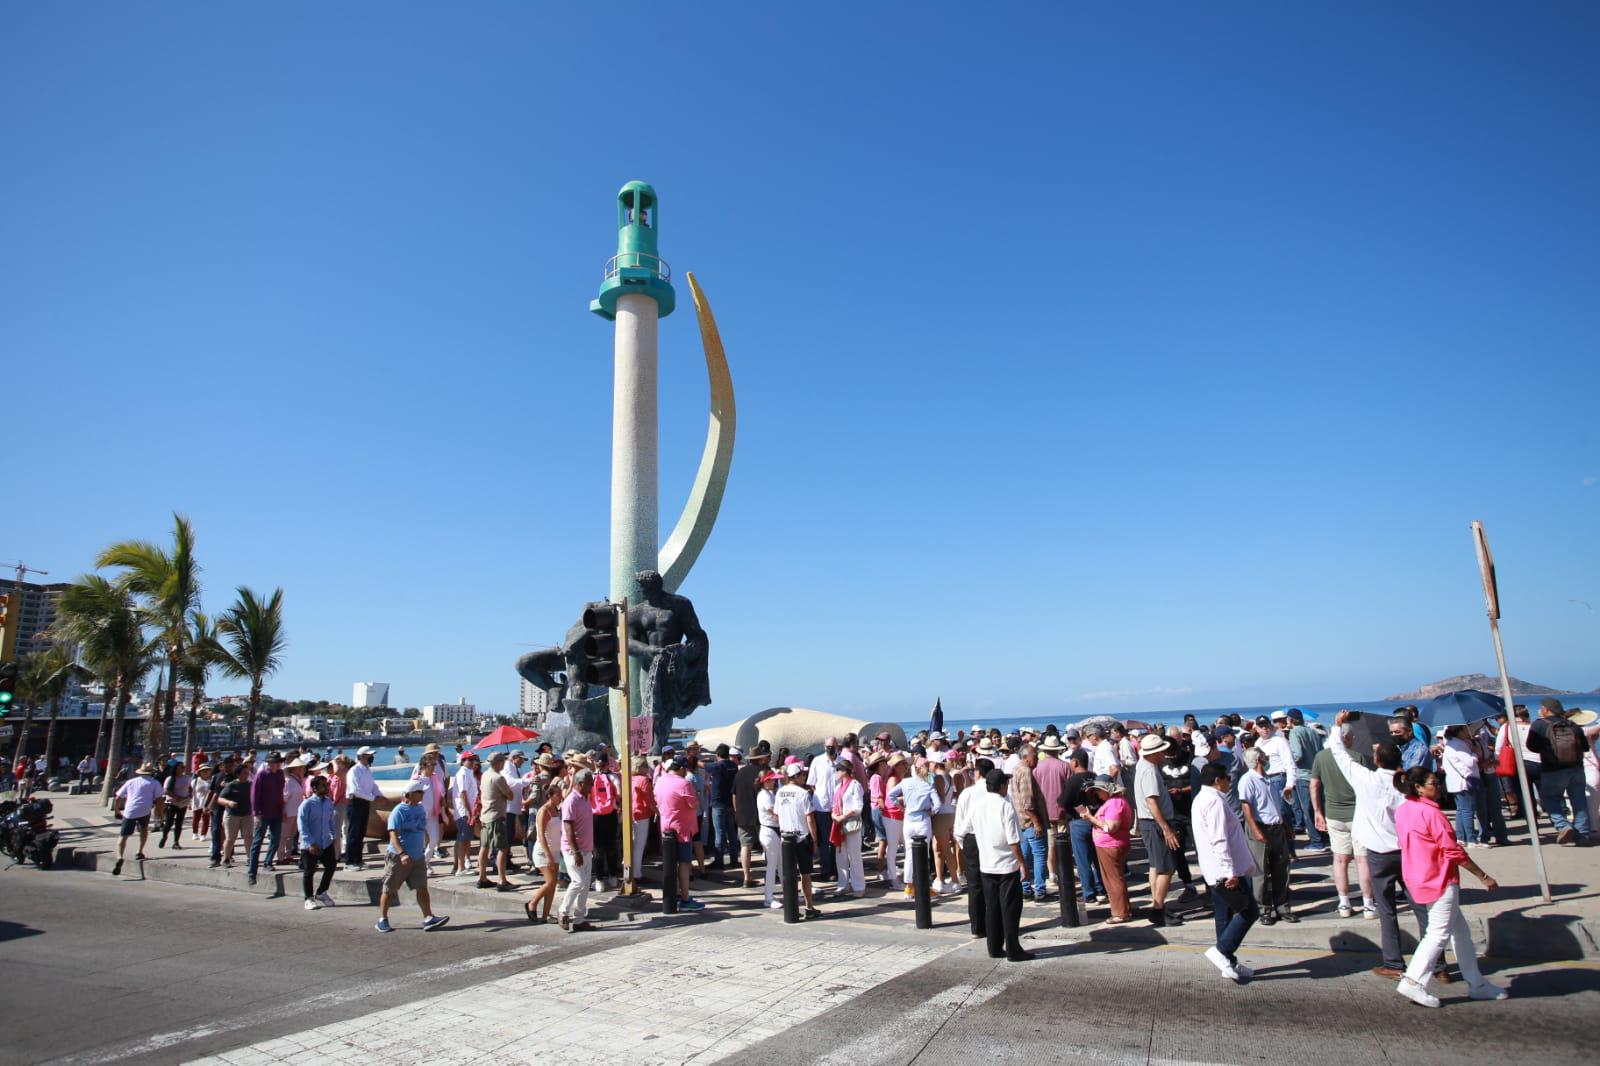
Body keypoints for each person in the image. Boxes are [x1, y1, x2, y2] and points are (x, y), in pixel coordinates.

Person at [1327, 711, 1429, 978]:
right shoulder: (1408, 786)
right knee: (1421, 909)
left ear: (1376, 760)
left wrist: (1337, 727)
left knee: (1387, 912)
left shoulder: (1367, 780)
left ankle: (1394, 963)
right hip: (1407, 851)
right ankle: (1436, 964)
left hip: (1380, 854)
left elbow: (1340, 755)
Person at [1393, 767, 1507, 1007]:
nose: (1439, 786)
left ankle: (1476, 983)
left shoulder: (1404, 810)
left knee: (1460, 933)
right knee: (1438, 933)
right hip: (1439, 877)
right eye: (1434, 783)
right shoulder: (1433, 814)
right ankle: (1413, 981)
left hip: (1419, 876)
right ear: (1419, 788)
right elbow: (1454, 851)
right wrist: (1483, 875)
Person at [1192, 762, 1259, 982]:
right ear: (1218, 780)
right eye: (1227, 778)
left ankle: (1227, 961)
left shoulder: (1203, 799)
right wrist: (1230, 871)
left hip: (1216, 869)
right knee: (1248, 911)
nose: (1230, 782)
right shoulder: (1213, 802)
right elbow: (1219, 838)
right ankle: (1221, 951)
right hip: (1225, 869)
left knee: (1225, 915)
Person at [1310, 724, 1375, 918]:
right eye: (1352, 737)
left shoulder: (1321, 758)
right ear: (1344, 738)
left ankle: (1344, 902)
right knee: (1363, 860)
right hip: (1358, 815)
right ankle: (1368, 904)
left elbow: (1314, 786)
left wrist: (1317, 811)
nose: (1353, 740)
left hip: (1333, 814)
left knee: (1339, 860)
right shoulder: (1357, 758)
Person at [972, 768, 1032, 962]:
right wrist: (1022, 863)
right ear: (1002, 786)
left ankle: (994, 946)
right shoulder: (1005, 806)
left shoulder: (977, 805)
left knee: (992, 907)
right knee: (1010, 908)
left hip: (987, 863)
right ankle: (1013, 949)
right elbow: (1013, 840)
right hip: (1006, 864)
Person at [376, 780, 449, 933]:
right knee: (389, 889)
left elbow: (422, 830)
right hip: (399, 856)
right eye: (419, 792)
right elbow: (393, 836)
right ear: (410, 795)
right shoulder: (399, 811)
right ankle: (382, 919)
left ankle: (428, 917)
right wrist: (402, 854)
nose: (422, 794)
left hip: (417, 856)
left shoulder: (420, 809)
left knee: (422, 887)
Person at [1238, 747, 1294, 924]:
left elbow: (1274, 805)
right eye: (1263, 756)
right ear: (1258, 760)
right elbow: (1246, 808)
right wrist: (1255, 830)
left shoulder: (1267, 779)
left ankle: (1283, 907)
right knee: (1260, 871)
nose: (1266, 757)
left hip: (1276, 827)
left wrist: (1284, 825)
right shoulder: (1248, 780)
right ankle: (1263, 909)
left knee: (1281, 868)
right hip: (1260, 828)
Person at [1526, 698, 1592, 845]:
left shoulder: (1539, 724)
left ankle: (1563, 826)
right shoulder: (1573, 724)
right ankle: (1582, 835)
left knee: (1550, 799)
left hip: (1552, 769)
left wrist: (1546, 749)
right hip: (1576, 769)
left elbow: (1531, 746)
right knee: (1579, 802)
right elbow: (1585, 747)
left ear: (1546, 709)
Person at [1133, 734, 1184, 927]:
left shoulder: (1144, 766)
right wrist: (1166, 829)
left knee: (1156, 866)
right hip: (1154, 823)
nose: (1164, 753)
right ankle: (1157, 909)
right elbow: (1152, 801)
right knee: (1167, 868)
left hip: (1149, 823)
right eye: (1161, 750)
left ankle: (1158, 905)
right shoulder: (1150, 771)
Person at [655, 755, 705, 910]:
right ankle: (684, 899)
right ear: (682, 768)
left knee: (670, 863)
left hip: (665, 828)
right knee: (684, 863)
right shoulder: (684, 783)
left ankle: (674, 894)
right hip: (682, 829)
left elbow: (656, 799)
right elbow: (694, 804)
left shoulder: (660, 781)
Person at [1057, 749, 1107, 907]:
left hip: (1079, 821)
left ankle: (1089, 893)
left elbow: (1063, 802)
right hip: (1097, 820)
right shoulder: (1095, 777)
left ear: (1075, 762)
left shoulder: (1072, 781)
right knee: (1097, 858)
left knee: (1083, 860)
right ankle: (1101, 889)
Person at [775, 761, 823, 918]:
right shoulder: (803, 794)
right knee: (805, 874)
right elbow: (810, 818)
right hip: (801, 837)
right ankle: (809, 906)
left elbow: (776, 814)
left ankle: (792, 907)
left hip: (785, 837)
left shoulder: (780, 792)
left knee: (789, 874)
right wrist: (814, 839)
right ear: (796, 776)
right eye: (803, 775)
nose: (805, 777)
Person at [1083, 775, 1133, 924]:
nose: (1098, 794)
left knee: (1113, 880)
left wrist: (1091, 819)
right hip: (1114, 844)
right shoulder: (1117, 802)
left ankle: (1120, 913)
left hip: (1110, 845)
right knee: (1115, 878)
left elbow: (1111, 827)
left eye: (1099, 791)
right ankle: (1123, 909)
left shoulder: (1114, 803)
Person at [887, 756, 938, 897]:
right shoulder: (927, 784)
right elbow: (938, 805)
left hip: (908, 820)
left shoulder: (905, 782)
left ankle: (909, 887)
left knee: (909, 854)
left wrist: (901, 807)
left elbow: (891, 795)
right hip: (923, 820)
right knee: (924, 854)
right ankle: (923, 887)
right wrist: (931, 811)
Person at [558, 768, 598, 932]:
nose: (592, 786)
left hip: (586, 849)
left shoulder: (584, 799)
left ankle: (580, 918)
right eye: (590, 783)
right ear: (580, 784)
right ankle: (563, 911)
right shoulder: (571, 801)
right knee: (578, 881)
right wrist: (576, 852)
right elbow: (568, 827)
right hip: (573, 850)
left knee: (585, 884)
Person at [111, 762, 165, 876]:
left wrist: (117, 811)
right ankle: (139, 851)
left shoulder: (130, 782)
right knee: (144, 830)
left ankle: (120, 857)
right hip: (144, 810)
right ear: (152, 773)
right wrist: (161, 817)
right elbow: (159, 801)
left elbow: (117, 798)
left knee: (123, 836)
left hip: (130, 810)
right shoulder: (154, 783)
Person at [1285, 709, 1327, 852]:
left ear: (1290, 719)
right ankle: (1323, 837)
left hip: (1304, 775)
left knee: (1307, 809)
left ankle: (1316, 840)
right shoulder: (1313, 732)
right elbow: (1321, 751)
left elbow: (1298, 754)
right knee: (1319, 807)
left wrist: (1289, 762)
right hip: (1318, 774)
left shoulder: (1295, 732)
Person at [525, 779, 565, 925]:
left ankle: (546, 915)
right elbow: (541, 835)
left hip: (554, 850)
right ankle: (532, 903)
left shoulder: (556, 810)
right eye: (558, 795)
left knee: (552, 884)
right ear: (551, 795)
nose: (561, 797)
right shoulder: (544, 811)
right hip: (543, 852)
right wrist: (548, 855)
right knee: (551, 881)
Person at [298, 773, 338, 910]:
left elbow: (330, 821)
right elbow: (302, 825)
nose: (326, 787)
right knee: (309, 871)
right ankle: (308, 898)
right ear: (315, 788)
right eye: (323, 785)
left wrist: (334, 836)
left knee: (331, 866)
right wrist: (310, 842)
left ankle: (321, 892)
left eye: (326, 784)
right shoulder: (307, 804)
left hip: (326, 842)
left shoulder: (328, 802)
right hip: (311, 845)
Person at [732, 742, 770, 889]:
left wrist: (737, 811)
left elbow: (734, 795)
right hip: (762, 815)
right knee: (767, 844)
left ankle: (747, 877)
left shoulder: (740, 773)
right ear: (760, 758)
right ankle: (772, 872)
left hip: (743, 814)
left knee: (745, 846)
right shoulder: (765, 771)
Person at [247, 752, 286, 886]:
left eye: (279, 762)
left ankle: (268, 862)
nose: (279, 764)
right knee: (257, 843)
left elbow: (281, 793)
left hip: (276, 813)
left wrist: (283, 809)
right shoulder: (261, 774)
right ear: (270, 763)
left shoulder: (280, 774)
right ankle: (252, 873)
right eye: (277, 762)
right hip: (262, 814)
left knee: (275, 840)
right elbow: (254, 794)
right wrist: (256, 814)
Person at [477, 751, 515, 891]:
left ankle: (482, 877)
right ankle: (502, 880)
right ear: (498, 762)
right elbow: (510, 796)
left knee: (484, 847)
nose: (504, 763)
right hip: (497, 816)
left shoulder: (485, 775)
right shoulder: (498, 778)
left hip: (485, 816)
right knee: (502, 848)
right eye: (503, 761)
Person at [831, 754, 867, 898]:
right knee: (840, 854)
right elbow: (834, 806)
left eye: (839, 769)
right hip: (839, 823)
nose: (837, 772)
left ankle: (859, 885)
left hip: (850, 823)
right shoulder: (838, 787)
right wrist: (835, 816)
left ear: (845, 771)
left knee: (854, 855)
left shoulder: (855, 785)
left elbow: (858, 806)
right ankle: (843, 884)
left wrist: (843, 816)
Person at [806, 738, 840, 882]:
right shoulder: (817, 761)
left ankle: (836, 868)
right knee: (824, 841)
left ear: (837, 747)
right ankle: (826, 869)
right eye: (827, 747)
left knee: (837, 841)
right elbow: (811, 784)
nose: (830, 749)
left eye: (832, 747)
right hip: (822, 807)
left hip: (838, 807)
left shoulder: (842, 761)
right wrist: (821, 795)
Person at [344, 747, 381, 870]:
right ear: (362, 756)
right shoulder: (354, 771)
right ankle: (349, 862)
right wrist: (373, 798)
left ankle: (358, 860)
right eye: (368, 755)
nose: (371, 757)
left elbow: (373, 786)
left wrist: (380, 796)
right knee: (353, 833)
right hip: (355, 803)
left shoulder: (367, 770)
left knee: (361, 833)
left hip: (364, 803)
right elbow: (355, 790)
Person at [215, 762, 253, 868]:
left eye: (248, 773)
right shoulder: (231, 785)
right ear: (238, 774)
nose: (247, 775)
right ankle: (226, 859)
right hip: (232, 815)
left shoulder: (250, 785)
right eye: (245, 773)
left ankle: (250, 858)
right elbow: (220, 799)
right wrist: (229, 803)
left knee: (249, 837)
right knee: (231, 838)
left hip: (247, 814)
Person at [755, 768, 783, 908]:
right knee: (772, 866)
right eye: (773, 779)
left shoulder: (770, 793)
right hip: (769, 832)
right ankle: (768, 897)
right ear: (766, 781)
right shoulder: (764, 795)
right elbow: (775, 812)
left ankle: (788, 892)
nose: (775, 781)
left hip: (774, 831)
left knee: (781, 865)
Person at [709, 744, 739, 869]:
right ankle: (734, 859)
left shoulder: (717, 766)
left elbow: (702, 766)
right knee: (731, 832)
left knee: (719, 833)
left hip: (718, 804)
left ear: (717, 755)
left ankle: (719, 860)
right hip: (730, 803)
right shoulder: (734, 766)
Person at [627, 755, 656, 885]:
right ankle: (637, 874)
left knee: (632, 844)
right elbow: (649, 800)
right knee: (639, 845)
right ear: (639, 767)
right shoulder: (644, 780)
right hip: (642, 814)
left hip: (630, 813)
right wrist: (658, 811)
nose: (647, 768)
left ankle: (630, 871)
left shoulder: (629, 779)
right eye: (645, 765)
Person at [451, 752, 480, 877]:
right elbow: (462, 794)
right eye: (470, 759)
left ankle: (463, 865)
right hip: (464, 812)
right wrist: (468, 810)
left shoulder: (468, 773)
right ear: (463, 760)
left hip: (468, 811)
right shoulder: (463, 773)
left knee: (466, 839)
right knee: (463, 839)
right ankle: (461, 868)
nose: (473, 761)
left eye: (474, 759)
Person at [158, 761, 192, 850]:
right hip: (171, 803)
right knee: (169, 823)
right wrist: (176, 797)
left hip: (183, 803)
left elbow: (190, 787)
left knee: (179, 823)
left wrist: (190, 794)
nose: (183, 768)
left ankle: (176, 842)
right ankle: (164, 837)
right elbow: (165, 791)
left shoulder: (187, 778)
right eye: (181, 767)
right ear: (176, 768)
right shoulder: (170, 778)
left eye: (183, 767)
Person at [190, 764, 215, 840]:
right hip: (197, 802)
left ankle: (203, 834)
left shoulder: (212, 780)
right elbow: (191, 792)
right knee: (195, 819)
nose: (205, 772)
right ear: (200, 772)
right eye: (203, 771)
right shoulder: (195, 781)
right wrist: (189, 802)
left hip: (207, 803)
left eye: (207, 770)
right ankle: (195, 833)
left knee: (206, 819)